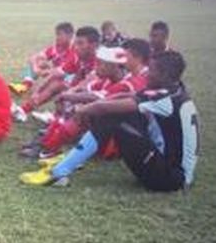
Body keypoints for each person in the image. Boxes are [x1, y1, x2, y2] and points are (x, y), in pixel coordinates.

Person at [20, 51, 200, 192]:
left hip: (170, 179)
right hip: (170, 170)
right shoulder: (174, 90)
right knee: (113, 110)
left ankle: (59, 171)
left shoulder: (165, 99)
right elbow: (126, 96)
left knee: (111, 115)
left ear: (165, 75)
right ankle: (66, 160)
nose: (148, 75)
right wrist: (91, 105)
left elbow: (106, 107)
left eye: (152, 70)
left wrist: (82, 110)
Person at [19, 46, 133, 159]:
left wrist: (69, 97)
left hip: (116, 137)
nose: (97, 67)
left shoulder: (125, 84)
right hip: (103, 126)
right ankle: (46, 141)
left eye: (101, 64)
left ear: (114, 66)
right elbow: (85, 89)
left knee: (83, 111)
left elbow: (95, 98)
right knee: (72, 104)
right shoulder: (107, 79)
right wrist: (68, 97)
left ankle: (50, 148)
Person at [19, 26, 100, 115]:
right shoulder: (73, 55)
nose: (76, 47)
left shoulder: (100, 61)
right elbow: (56, 74)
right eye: (76, 43)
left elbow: (85, 84)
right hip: (82, 88)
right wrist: (37, 92)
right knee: (57, 83)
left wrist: (67, 94)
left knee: (66, 91)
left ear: (94, 45)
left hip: (102, 97)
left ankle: (61, 118)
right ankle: (23, 110)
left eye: (80, 43)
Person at [9, 22, 75, 95]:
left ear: (70, 36)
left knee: (61, 77)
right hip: (55, 73)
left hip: (68, 76)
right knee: (40, 62)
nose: (57, 37)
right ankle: (25, 86)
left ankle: (62, 92)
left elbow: (63, 71)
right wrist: (36, 68)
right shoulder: (55, 48)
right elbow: (33, 57)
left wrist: (45, 71)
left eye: (60, 34)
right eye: (56, 34)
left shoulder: (74, 49)